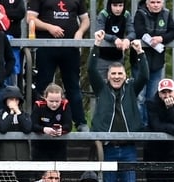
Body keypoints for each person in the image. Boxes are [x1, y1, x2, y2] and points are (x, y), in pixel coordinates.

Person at [88, 30, 147, 182]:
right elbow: (90, 69)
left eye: (120, 74)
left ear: (125, 76)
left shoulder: (131, 90)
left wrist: (140, 53)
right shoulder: (101, 89)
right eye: (113, 74)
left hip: (129, 149)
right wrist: (96, 45)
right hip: (109, 148)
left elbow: (145, 75)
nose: (116, 77)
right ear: (108, 76)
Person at [28, 0, 90, 131]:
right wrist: (49, 27)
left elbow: (85, 20)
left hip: (70, 48)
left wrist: (80, 32)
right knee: (42, 87)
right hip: (46, 46)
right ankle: (38, 123)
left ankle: (80, 123)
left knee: (73, 86)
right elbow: (30, 18)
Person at [133, 0, 174, 127]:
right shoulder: (140, 14)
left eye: (158, 2)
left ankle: (151, 126)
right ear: (147, 3)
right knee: (139, 98)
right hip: (140, 63)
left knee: (152, 98)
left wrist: (161, 38)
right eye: (152, 2)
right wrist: (154, 38)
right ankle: (139, 126)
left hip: (157, 63)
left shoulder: (167, 14)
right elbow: (139, 32)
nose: (156, 5)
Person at [0, 85, 32, 169]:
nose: (14, 102)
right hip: (5, 155)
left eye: (16, 100)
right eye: (11, 99)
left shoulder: (25, 115)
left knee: (23, 179)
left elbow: (28, 128)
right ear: (5, 100)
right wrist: (11, 113)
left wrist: (18, 112)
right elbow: (2, 128)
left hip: (23, 156)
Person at [30, 83, 72, 162]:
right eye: (51, 101)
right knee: (41, 172)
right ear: (45, 98)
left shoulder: (65, 105)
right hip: (40, 146)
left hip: (59, 146)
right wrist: (44, 129)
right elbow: (32, 125)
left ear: (61, 99)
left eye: (57, 101)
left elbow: (69, 125)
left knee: (58, 172)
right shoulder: (39, 105)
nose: (54, 104)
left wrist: (61, 130)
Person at [94, 0, 135, 78]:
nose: (118, 9)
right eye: (115, 5)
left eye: (120, 5)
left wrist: (128, 39)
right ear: (110, 5)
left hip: (118, 58)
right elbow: (99, 32)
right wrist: (114, 38)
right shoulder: (103, 14)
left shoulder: (126, 14)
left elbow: (132, 32)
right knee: (101, 86)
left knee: (118, 86)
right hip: (102, 57)